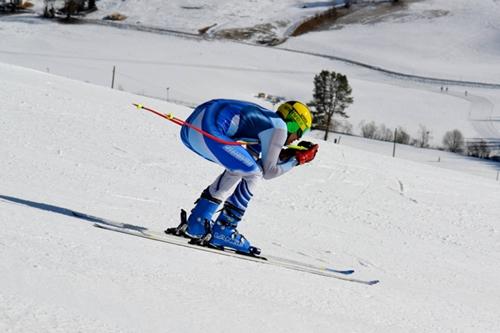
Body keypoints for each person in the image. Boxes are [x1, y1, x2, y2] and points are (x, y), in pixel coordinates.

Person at [168, 99, 318, 255]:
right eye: (300, 132)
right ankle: (225, 230)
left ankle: (198, 221)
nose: (297, 139)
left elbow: (250, 161)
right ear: (293, 124)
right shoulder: (280, 127)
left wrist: (286, 154)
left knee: (241, 168)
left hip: (190, 129)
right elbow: (268, 172)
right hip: (207, 130)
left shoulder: (267, 121)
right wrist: (297, 159)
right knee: (254, 174)